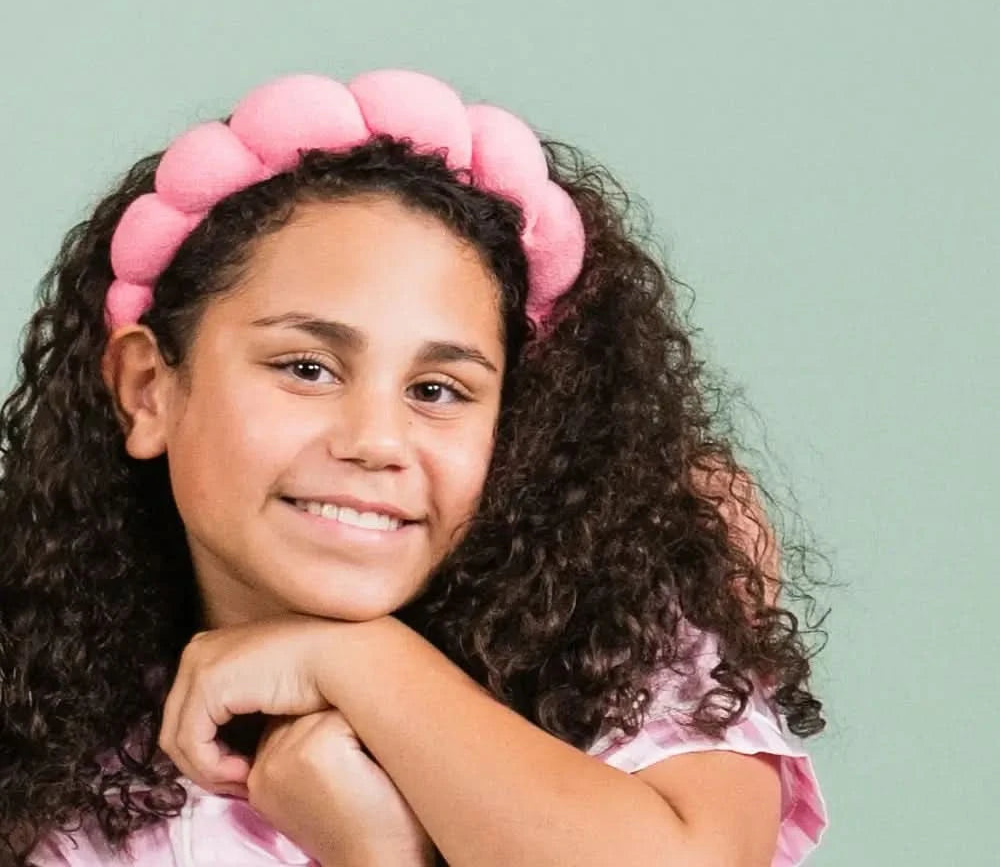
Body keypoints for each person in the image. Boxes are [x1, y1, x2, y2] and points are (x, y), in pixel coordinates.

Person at [0, 70, 829, 866]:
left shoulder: (623, 643)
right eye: (306, 368)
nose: (376, 441)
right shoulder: (49, 764)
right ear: (149, 390)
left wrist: (361, 665)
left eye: (438, 389)